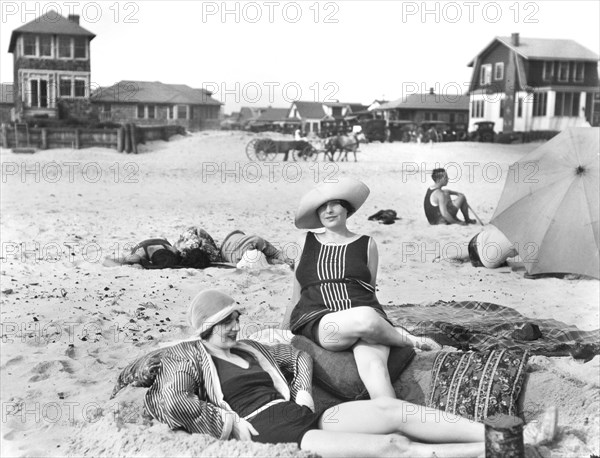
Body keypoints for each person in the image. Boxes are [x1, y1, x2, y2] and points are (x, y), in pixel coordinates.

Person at [145, 289, 495, 457]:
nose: (237, 327)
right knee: (392, 446)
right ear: (207, 327)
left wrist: (302, 392)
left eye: (237, 319)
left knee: (392, 410)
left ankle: (492, 435)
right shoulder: (188, 355)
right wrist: (228, 423)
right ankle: (491, 451)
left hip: (301, 413)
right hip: (268, 430)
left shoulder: (251, 348)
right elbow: (170, 400)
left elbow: (297, 357)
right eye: (227, 323)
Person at [282, 178, 442, 400]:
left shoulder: (367, 244)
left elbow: (369, 292)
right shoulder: (305, 241)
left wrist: (377, 320)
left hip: (365, 315)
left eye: (335, 204)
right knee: (366, 318)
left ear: (347, 209)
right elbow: (295, 295)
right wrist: (282, 331)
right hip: (324, 321)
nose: (328, 210)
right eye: (322, 207)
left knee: (377, 373)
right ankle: (407, 339)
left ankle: (394, 422)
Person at [451, 225, 518, 268]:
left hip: (478, 239)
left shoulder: (519, 221)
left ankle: (450, 256)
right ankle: (452, 257)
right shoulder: (525, 239)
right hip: (486, 261)